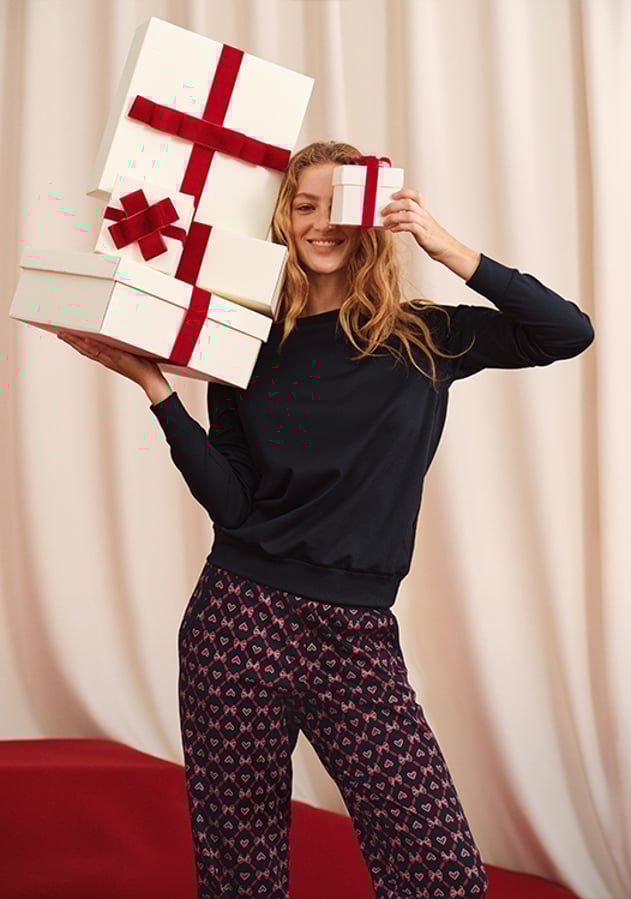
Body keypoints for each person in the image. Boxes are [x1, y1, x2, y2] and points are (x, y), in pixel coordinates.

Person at [57, 140, 594, 899]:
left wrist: (443, 244)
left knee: (439, 875)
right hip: (236, 620)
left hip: (356, 635)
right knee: (241, 876)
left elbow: (564, 332)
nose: (320, 223)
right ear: (281, 219)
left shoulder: (425, 335)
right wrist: (157, 389)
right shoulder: (245, 346)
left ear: (369, 219)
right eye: (303, 206)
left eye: (337, 206)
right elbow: (233, 504)